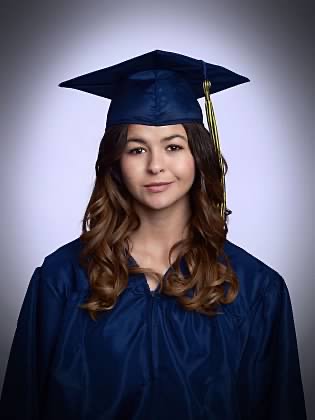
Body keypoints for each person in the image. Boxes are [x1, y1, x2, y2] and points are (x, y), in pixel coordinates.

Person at [0, 50, 307, 420]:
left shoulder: (256, 289)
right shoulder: (61, 279)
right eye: (137, 148)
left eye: (174, 146)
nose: (156, 165)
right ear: (116, 161)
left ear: (200, 156)